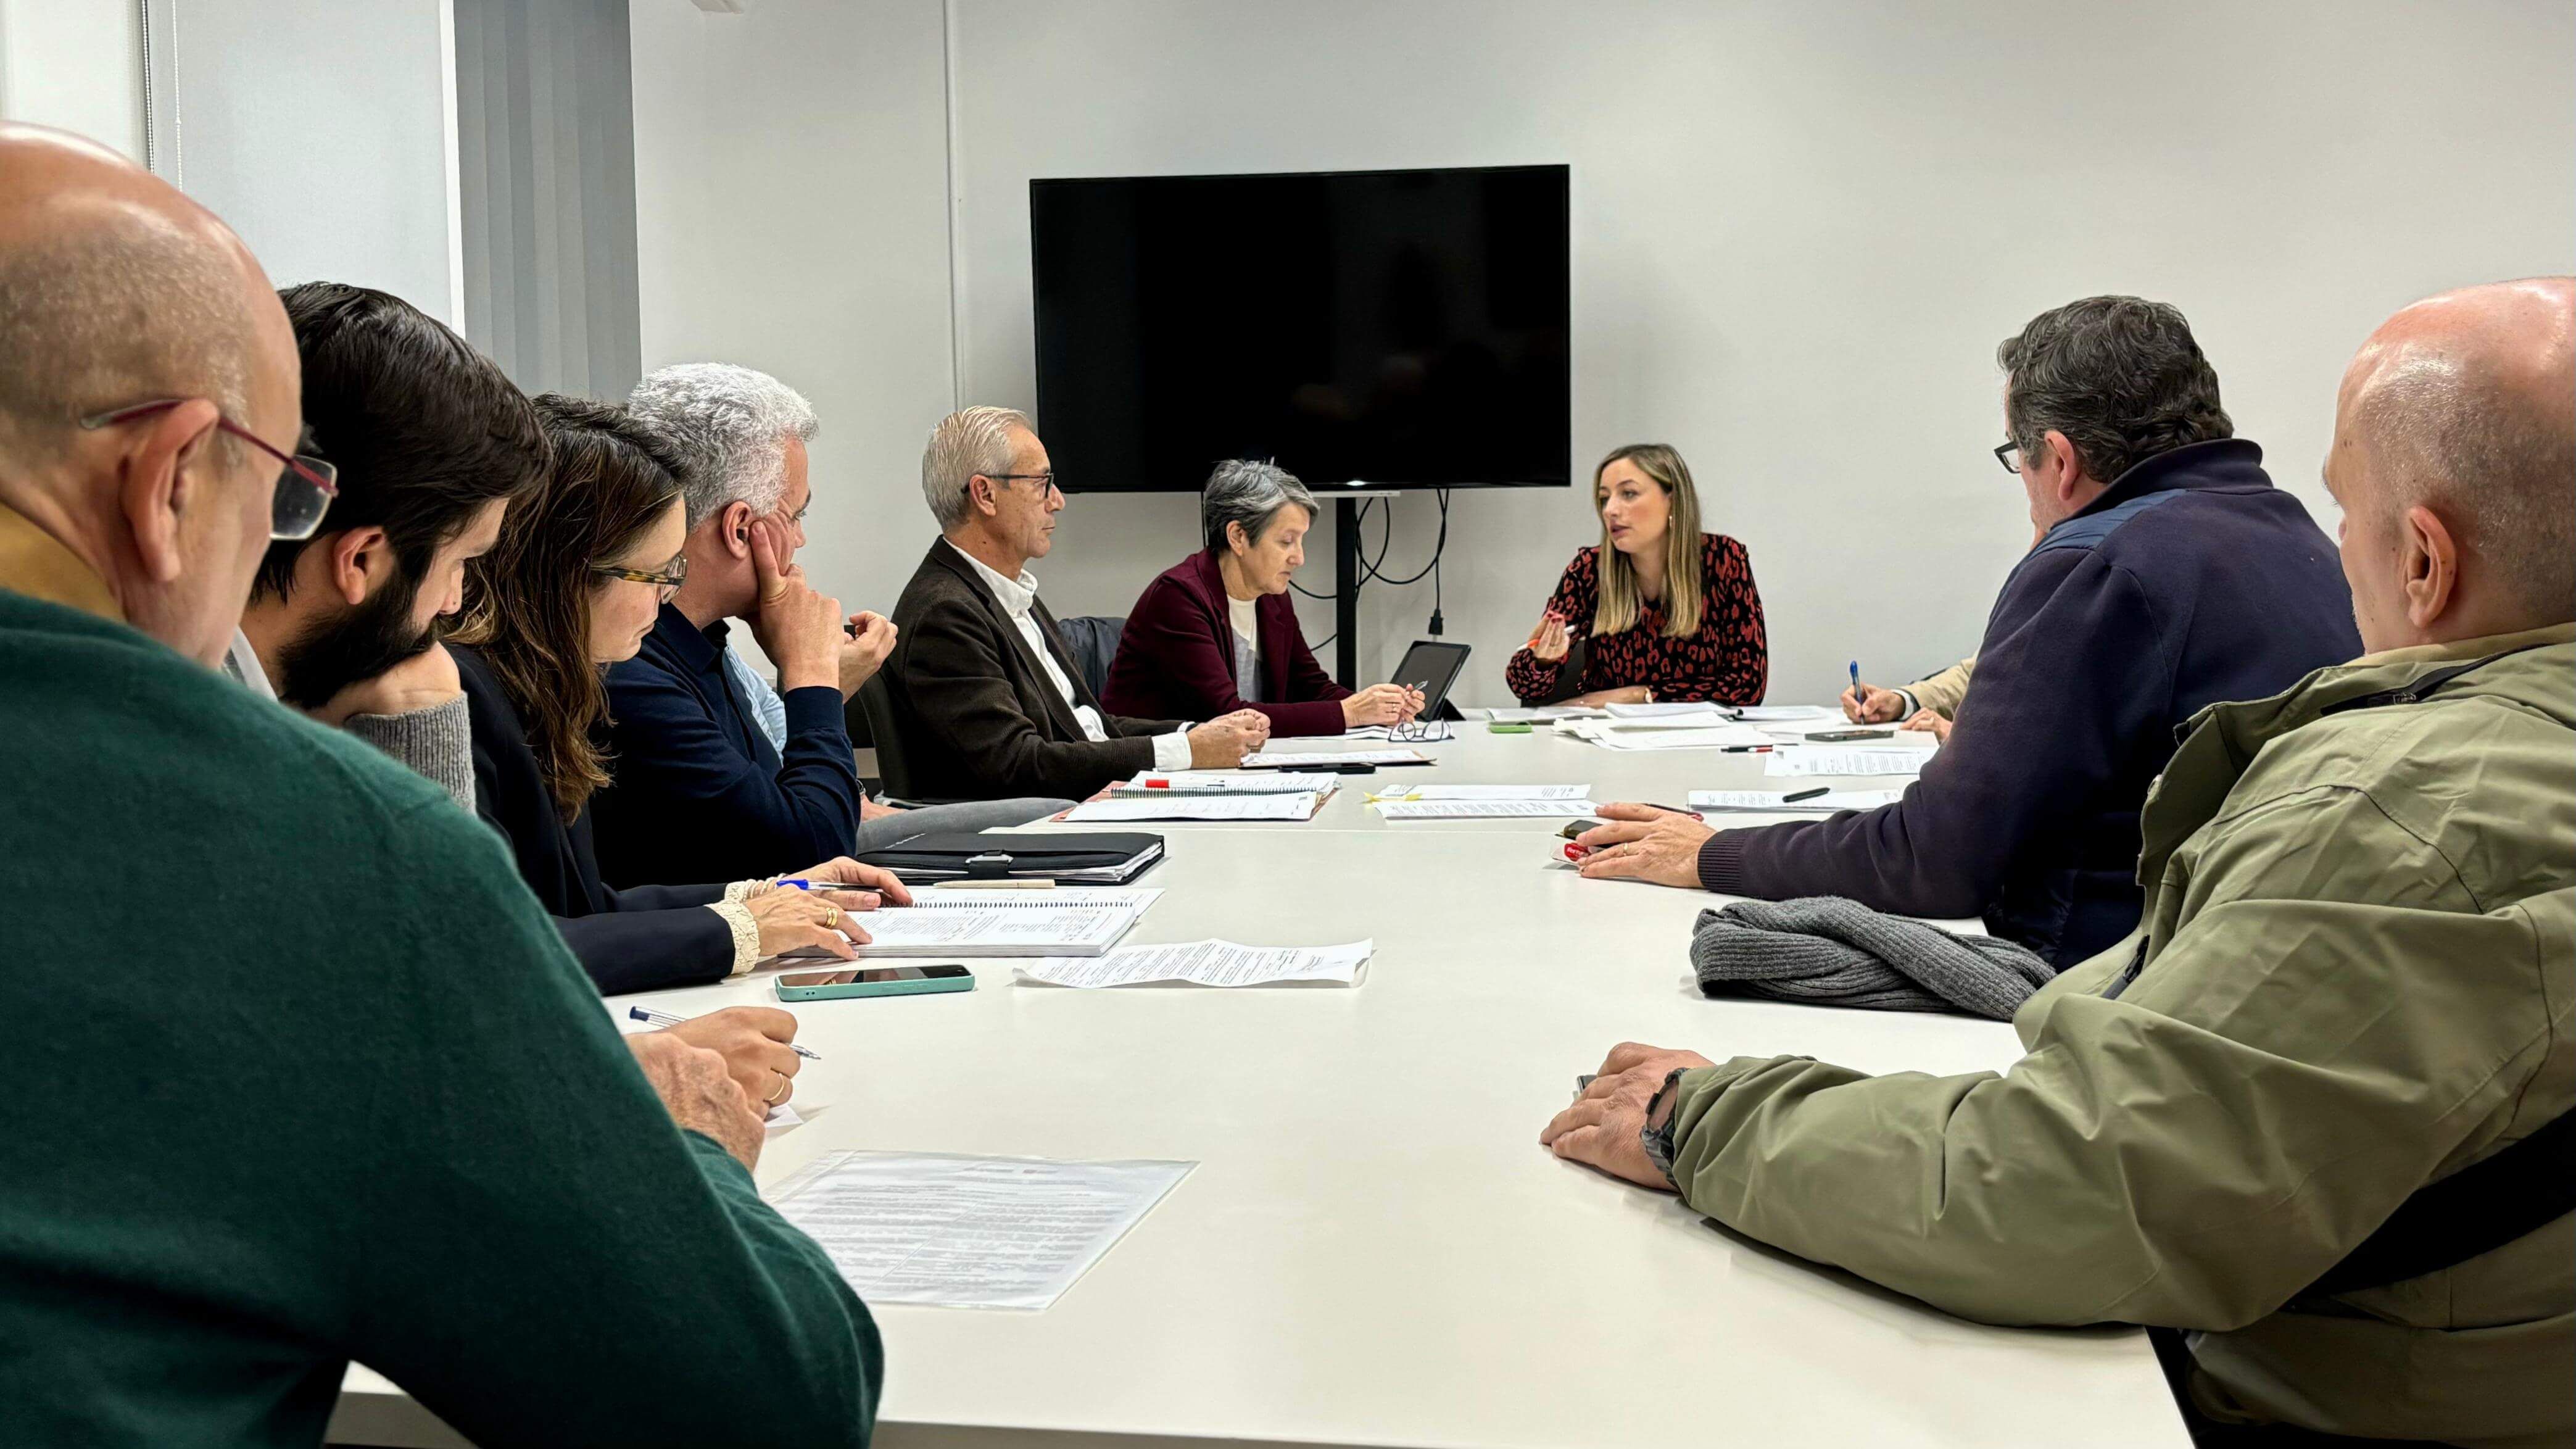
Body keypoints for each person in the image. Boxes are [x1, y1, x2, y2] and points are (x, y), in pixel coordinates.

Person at [1544, 276, 2574, 1449]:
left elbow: (2067, 1185)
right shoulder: (2275, 535)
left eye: (2354, 509)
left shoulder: (2385, 811)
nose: (2338, 542)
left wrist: (1705, 1113)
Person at [0, 121, 879, 1445]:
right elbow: (768, 1405)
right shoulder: (309, 848)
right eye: (276, 489)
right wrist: (684, 1141)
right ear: (170, 475)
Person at [1578, 297, 2361, 969]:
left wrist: (1711, 852)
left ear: (2058, 459)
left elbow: (1937, 860)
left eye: (2015, 461)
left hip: (2091, 985)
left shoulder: (2098, 561)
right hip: (2252, 961)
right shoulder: (2299, 537)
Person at [450, 393, 910, 994]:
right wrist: (740, 927)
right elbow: (506, 948)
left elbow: (586, 906)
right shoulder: (478, 696)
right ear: (567, 575)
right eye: (658, 573)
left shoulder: (544, 692)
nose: (666, 597)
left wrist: (758, 899)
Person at [600, 363, 1066, 883]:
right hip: (731, 938)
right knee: (1049, 816)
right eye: (796, 517)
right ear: (739, 529)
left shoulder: (700, 645)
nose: (799, 542)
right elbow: (810, 848)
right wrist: (813, 677)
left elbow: (783, 803)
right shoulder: (633, 669)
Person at [231, 281, 549, 812]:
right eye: (460, 562)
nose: (453, 601)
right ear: (360, 560)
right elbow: (447, 898)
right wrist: (423, 716)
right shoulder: (199, 758)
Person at [888, 405, 1270, 800]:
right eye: (1041, 483)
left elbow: (1090, 728)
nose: (1058, 501)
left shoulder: (1008, 592)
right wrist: (1187, 751)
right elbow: (1017, 765)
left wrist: (1195, 733)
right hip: (1031, 834)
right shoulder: (945, 613)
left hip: (1084, 803)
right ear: (985, 494)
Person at [1101, 459, 1422, 736]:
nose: (1299, 558)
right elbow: (1227, 714)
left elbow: (1311, 685)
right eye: (1286, 541)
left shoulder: (1272, 597)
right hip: (1147, 781)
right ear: (1238, 537)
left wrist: (1379, 707)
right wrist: (1350, 713)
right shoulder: (1178, 597)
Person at [1504, 444, 1768, 707]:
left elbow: (1748, 685)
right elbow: (1524, 687)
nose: (1610, 510)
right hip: (1605, 738)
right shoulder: (1589, 570)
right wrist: (1542, 660)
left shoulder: (1723, 560)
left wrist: (1636, 696)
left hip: (1704, 739)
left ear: (1673, 502)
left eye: (1628, 494)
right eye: (1605, 498)